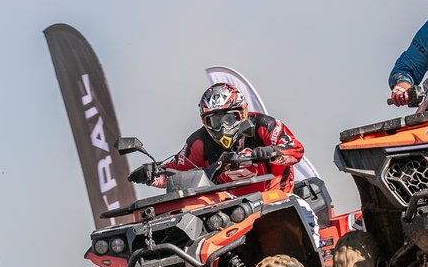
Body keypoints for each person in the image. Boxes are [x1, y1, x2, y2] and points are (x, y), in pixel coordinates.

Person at [129, 82, 306, 192]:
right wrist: (152, 173)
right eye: (215, 121)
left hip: (277, 198)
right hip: (228, 210)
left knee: (305, 216)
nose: (223, 127)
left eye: (229, 118)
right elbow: (177, 170)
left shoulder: (264, 125)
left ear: (242, 112)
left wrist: (271, 152)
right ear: (205, 121)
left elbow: (296, 149)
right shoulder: (199, 141)